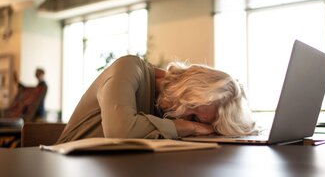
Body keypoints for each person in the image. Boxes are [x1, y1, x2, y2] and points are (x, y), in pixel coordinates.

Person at [57, 55, 256, 143]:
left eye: (194, 119)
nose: (182, 116)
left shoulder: (162, 108)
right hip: (64, 169)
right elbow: (120, 132)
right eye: (192, 107)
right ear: (188, 85)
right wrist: (193, 127)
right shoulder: (128, 67)